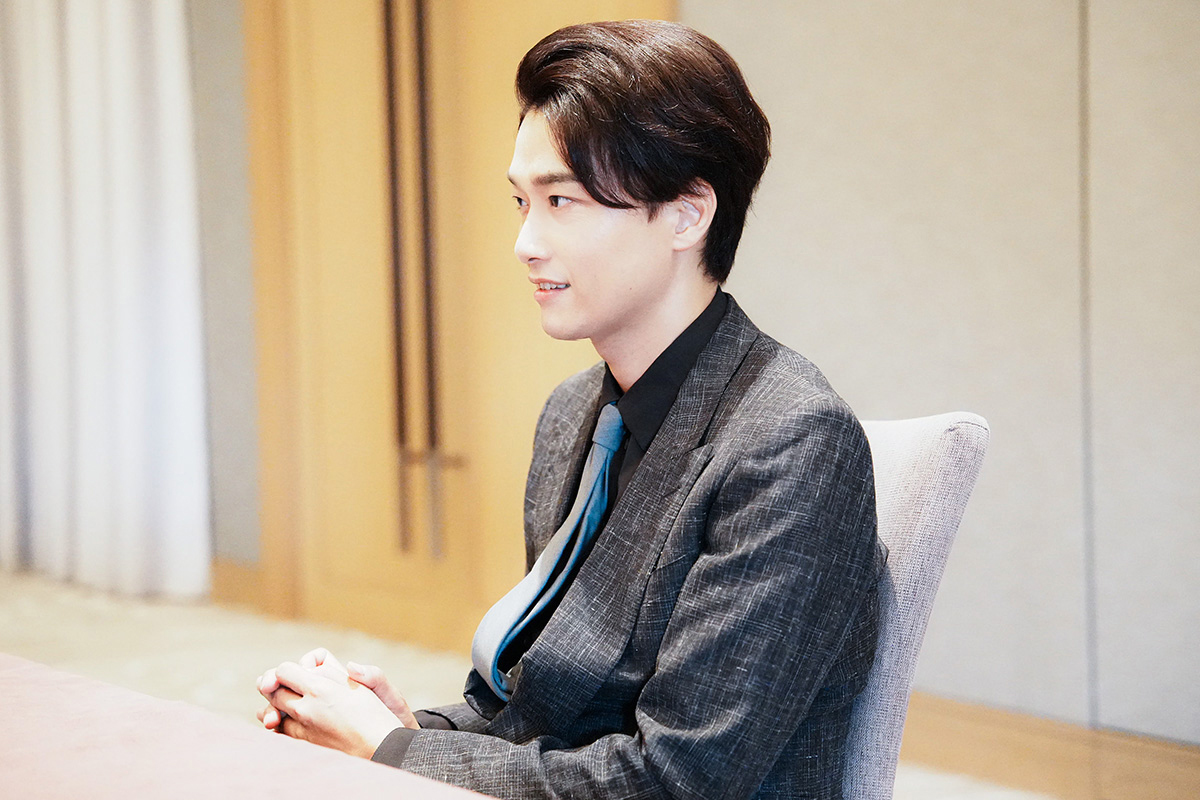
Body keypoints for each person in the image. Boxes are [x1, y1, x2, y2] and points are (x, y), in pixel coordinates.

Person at [256, 19, 885, 799]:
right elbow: (538, 712)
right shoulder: (575, 412)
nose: (526, 241)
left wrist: (390, 751)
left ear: (688, 214)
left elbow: (678, 779)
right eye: (522, 201)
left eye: (562, 200)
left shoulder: (791, 441)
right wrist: (400, 729)